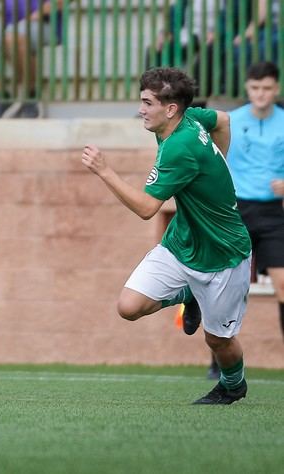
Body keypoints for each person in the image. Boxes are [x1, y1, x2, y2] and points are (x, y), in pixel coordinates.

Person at [81, 67, 252, 404]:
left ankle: (233, 386)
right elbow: (223, 120)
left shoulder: (179, 147)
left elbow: (147, 208)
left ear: (171, 108)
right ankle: (189, 294)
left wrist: (104, 170)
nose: (141, 110)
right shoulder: (189, 118)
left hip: (223, 255)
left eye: (147, 103)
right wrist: (217, 170)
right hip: (182, 242)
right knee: (129, 306)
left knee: (218, 341)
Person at [227, 61, 284, 342]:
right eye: (255, 87)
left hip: (274, 214)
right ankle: (220, 359)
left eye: (267, 88)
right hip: (236, 211)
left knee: (283, 285)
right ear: (247, 88)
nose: (261, 93)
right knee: (227, 289)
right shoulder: (228, 121)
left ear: (277, 89)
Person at [0, 0, 64, 118]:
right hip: (11, 27)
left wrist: (35, 16)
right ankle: (1, 97)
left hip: (44, 24)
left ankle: (31, 96)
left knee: (13, 36)